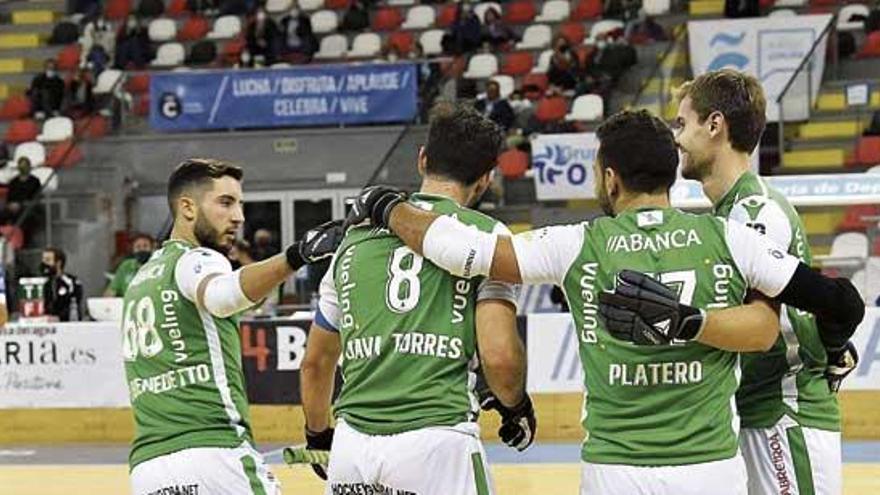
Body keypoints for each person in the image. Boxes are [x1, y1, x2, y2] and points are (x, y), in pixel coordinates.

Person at [350, 109, 864, 495]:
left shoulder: (577, 243)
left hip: (614, 471)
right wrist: (833, 347)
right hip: (711, 469)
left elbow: (469, 251)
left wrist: (387, 206)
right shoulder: (730, 238)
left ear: (610, 177)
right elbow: (839, 302)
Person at [300, 103, 534, 495]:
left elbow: (315, 364)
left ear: (422, 159)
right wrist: (516, 407)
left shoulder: (352, 242)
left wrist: (318, 435)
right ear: (485, 179)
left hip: (353, 449)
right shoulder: (487, 236)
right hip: (438, 443)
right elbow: (499, 357)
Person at [673, 69, 858, 495]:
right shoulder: (730, 213)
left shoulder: (753, 213)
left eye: (683, 123)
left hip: (782, 414)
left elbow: (760, 325)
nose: (677, 137)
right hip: (757, 414)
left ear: (715, 125)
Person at [124, 158, 343, 494]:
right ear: (187, 208)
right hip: (214, 456)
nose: (239, 216)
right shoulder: (196, 258)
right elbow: (222, 295)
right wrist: (297, 255)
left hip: (149, 468)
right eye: (225, 203)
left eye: (239, 204)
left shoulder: (142, 278)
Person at [41, 247, 84, 322]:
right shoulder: (42, 283)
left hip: (67, 324)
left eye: (47, 260)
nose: (44, 263)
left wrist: (59, 318)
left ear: (58, 263)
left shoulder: (71, 282)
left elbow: (74, 305)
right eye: (43, 260)